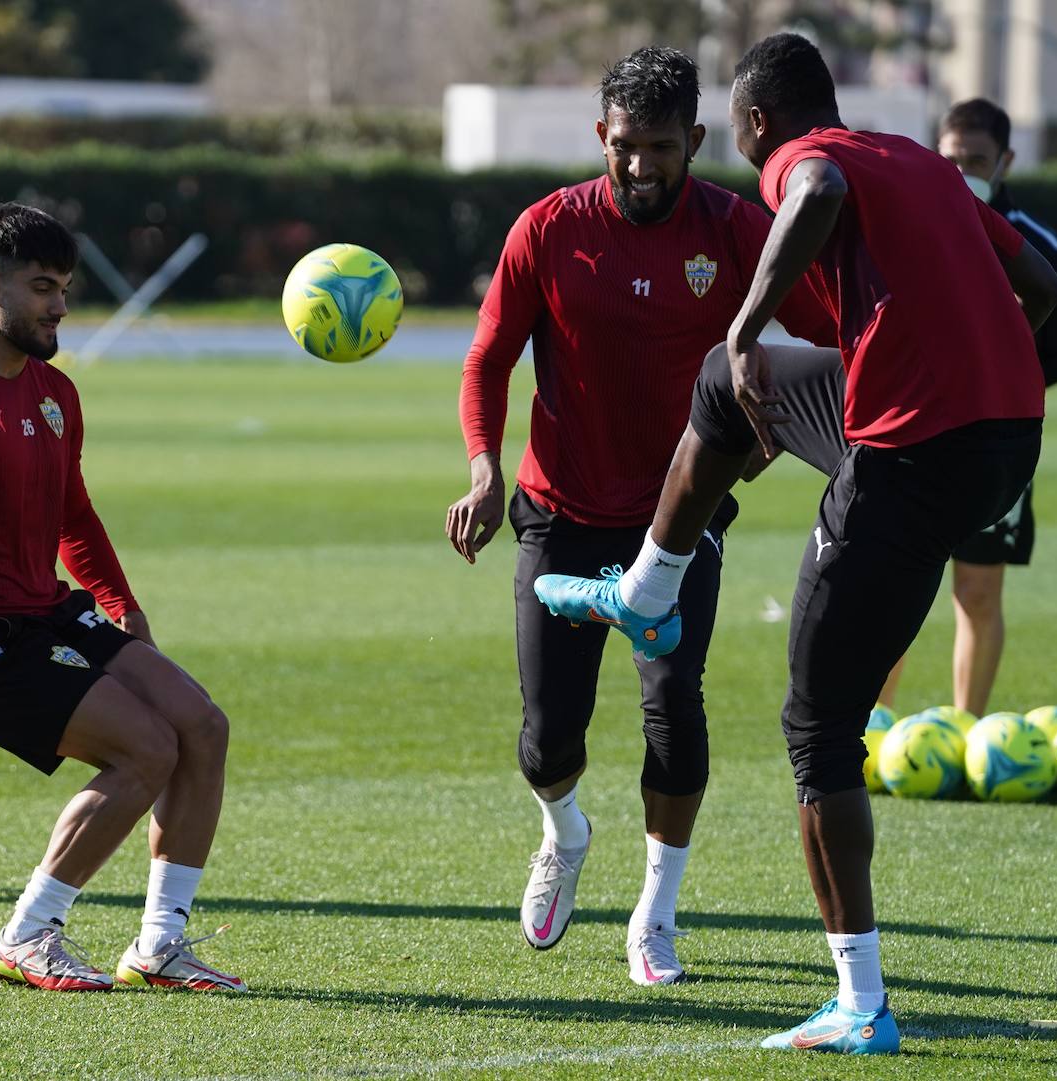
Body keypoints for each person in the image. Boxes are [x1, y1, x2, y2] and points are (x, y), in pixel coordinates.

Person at [535, 33, 1057, 1051]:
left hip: (918, 456)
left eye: (739, 140)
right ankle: (649, 585)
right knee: (724, 388)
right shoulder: (914, 156)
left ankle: (860, 1003)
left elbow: (812, 188)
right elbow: (1039, 286)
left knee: (818, 729)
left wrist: (749, 321)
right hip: (1005, 442)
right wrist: (966, 370)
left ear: (758, 121)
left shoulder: (805, 156)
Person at [444, 46, 831, 987]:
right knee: (548, 737)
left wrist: (784, 406)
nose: (640, 166)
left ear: (696, 140)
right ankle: (565, 833)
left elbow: (829, 329)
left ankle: (654, 917)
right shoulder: (546, 229)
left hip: (679, 521)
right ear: (601, 139)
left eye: (660, 147)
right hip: (559, 513)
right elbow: (489, 358)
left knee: (672, 709)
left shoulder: (740, 229)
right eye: (624, 146)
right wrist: (485, 469)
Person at [0, 202, 245, 993]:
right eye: (43, 286)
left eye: (65, 287)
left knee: (202, 725)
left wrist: (121, 601)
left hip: (47, 606)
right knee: (146, 748)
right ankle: (28, 932)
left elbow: (72, 512)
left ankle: (160, 944)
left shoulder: (55, 393)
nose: (60, 305)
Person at [879, 97, 1057, 717]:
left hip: (997, 439)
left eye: (977, 159)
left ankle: (970, 732)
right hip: (909, 433)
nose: (963, 169)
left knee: (976, 587)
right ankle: (866, 736)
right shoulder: (901, 226)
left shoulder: (1040, 243)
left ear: (1005, 161)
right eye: (952, 158)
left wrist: (1005, 384)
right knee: (894, 586)